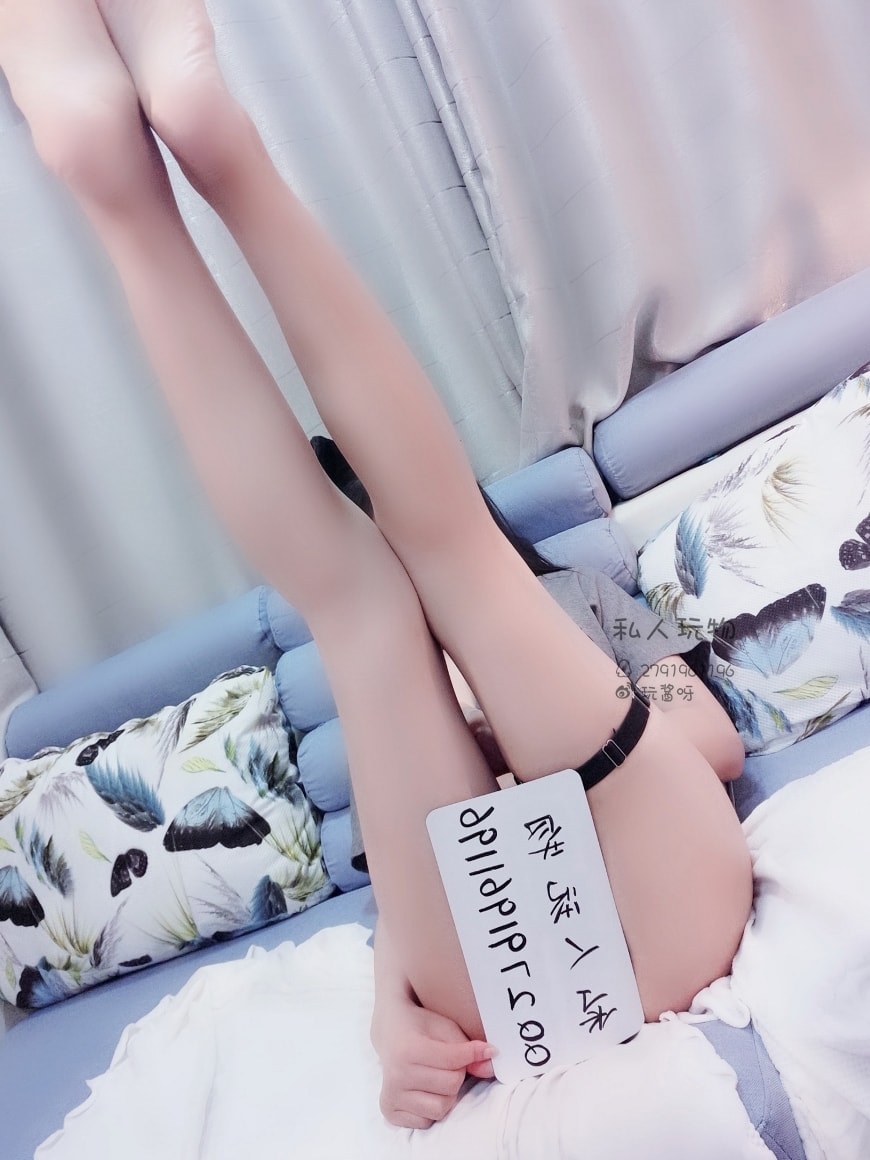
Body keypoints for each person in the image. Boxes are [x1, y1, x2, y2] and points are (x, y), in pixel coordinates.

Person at [0, 0, 752, 1132]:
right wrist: (394, 1010)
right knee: (366, 604)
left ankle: (149, 169)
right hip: (523, 982)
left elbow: (714, 741)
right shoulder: (394, 670)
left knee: (440, 570)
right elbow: (399, 907)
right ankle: (129, 157)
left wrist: (511, 719)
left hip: (648, 899)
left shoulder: (575, 594)